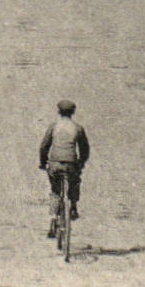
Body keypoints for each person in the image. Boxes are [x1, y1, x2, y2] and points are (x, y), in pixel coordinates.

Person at [38, 99, 90, 235]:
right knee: (74, 182)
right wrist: (81, 163)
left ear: (59, 112)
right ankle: (73, 206)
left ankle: (53, 217)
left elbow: (44, 146)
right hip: (71, 165)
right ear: (73, 112)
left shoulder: (53, 127)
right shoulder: (78, 128)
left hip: (55, 164)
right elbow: (84, 149)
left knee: (55, 190)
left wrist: (43, 162)